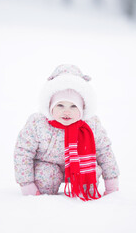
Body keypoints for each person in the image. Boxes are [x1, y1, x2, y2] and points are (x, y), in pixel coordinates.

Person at [14, 64, 119, 201]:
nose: (66, 111)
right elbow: (23, 152)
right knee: (45, 177)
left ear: (83, 107)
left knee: (88, 181)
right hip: (48, 167)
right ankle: (46, 198)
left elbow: (104, 151)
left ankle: (82, 189)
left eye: (73, 106)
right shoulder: (38, 123)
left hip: (80, 165)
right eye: (60, 105)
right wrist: (26, 184)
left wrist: (111, 182)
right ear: (50, 105)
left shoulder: (90, 125)